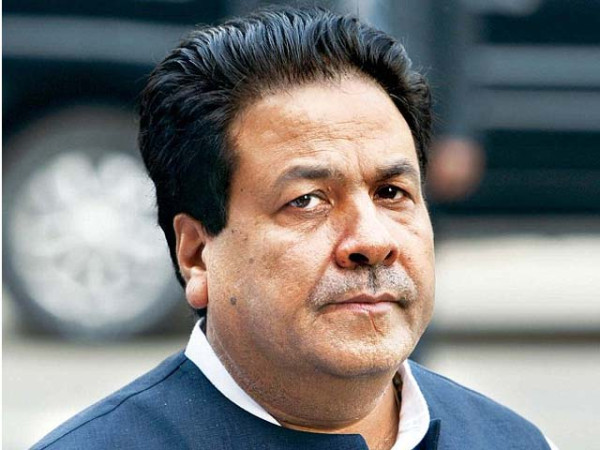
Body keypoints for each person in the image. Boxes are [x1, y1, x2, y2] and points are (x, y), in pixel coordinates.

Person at [33, 6, 557, 450]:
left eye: (391, 193)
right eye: (306, 201)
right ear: (195, 254)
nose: (372, 241)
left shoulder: (507, 440)